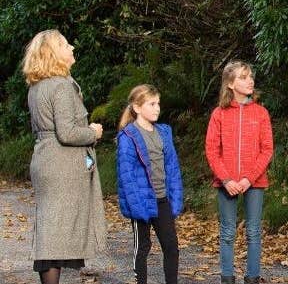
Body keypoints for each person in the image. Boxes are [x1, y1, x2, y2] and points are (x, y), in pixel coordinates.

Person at [22, 29, 107, 284]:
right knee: (53, 233)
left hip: (46, 160)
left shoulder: (38, 87)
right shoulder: (60, 86)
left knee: (51, 228)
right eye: (65, 44)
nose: (72, 47)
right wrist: (92, 132)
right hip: (61, 164)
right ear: (53, 53)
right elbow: (67, 133)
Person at [204, 61, 274, 284]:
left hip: (254, 181)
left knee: (253, 232)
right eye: (244, 77)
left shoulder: (261, 113)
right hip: (226, 182)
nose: (250, 80)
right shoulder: (219, 114)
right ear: (231, 83)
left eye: (251, 76)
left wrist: (248, 178)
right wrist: (226, 179)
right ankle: (227, 278)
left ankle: (252, 277)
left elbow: (267, 149)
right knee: (227, 233)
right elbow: (212, 149)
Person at [116, 84, 183, 284]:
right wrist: (136, 206)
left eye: (158, 104)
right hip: (141, 202)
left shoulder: (163, 132)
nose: (157, 108)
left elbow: (172, 168)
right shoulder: (128, 136)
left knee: (171, 247)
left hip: (163, 200)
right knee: (142, 247)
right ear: (137, 108)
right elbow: (126, 175)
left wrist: (175, 198)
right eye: (151, 104)